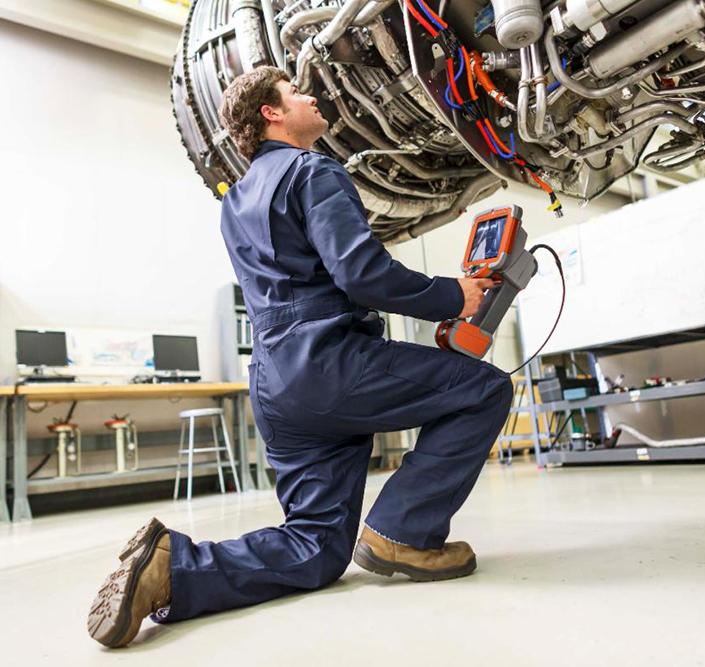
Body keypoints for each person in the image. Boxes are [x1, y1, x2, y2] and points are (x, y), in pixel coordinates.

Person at [87, 66, 513, 649]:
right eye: (296, 91)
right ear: (271, 113)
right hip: (331, 363)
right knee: (484, 389)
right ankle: (402, 532)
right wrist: (452, 295)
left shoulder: (235, 199)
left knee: (317, 545)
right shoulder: (313, 171)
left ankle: (172, 567)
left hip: (274, 382)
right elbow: (362, 274)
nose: (311, 95)